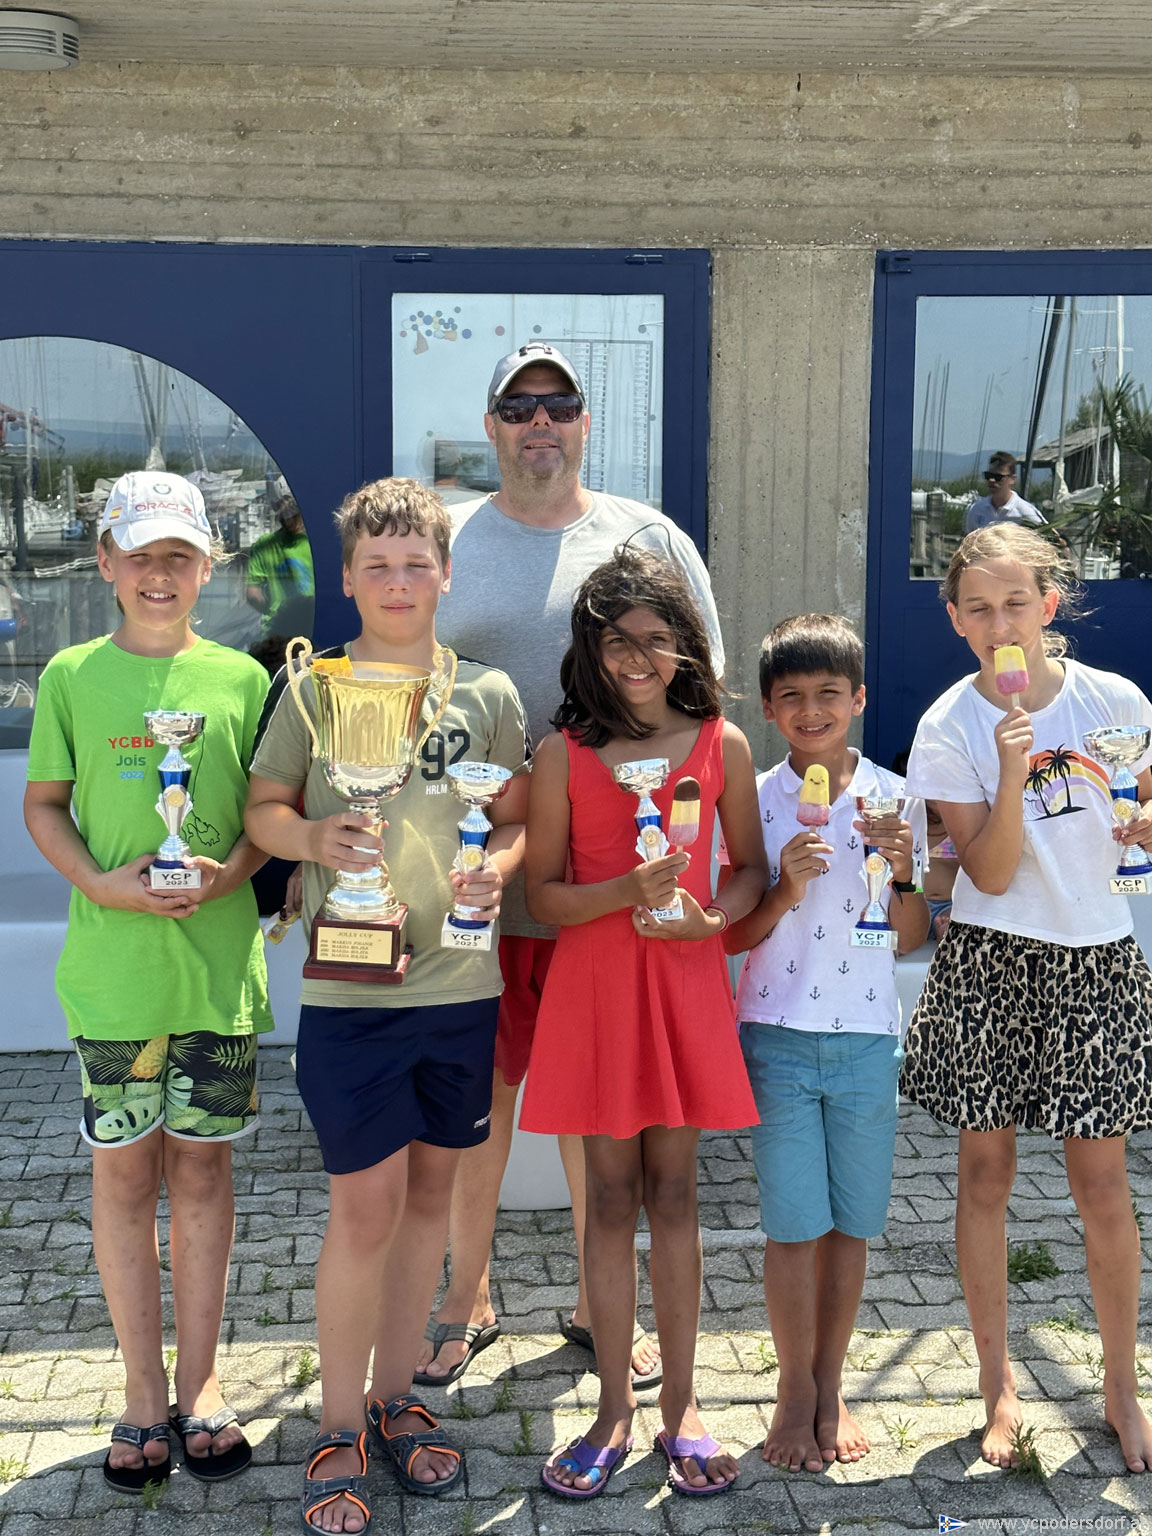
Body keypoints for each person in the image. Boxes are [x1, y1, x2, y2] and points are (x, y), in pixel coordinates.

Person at [418, 340, 724, 1391]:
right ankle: (465, 1295)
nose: (538, 421)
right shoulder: (449, 538)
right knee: (484, 1097)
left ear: (585, 421)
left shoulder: (648, 536)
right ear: (492, 425)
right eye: (518, 405)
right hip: (487, 876)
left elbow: (700, 694)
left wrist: (690, 863)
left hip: (613, 889)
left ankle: (604, 1308)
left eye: (558, 403)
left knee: (609, 1108)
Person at [245, 478, 530, 1533]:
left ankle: (396, 1396)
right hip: (351, 987)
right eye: (379, 566)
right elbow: (262, 809)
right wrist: (312, 838)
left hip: (459, 987)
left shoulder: (486, 693)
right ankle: (336, 1423)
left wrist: (499, 867)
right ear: (350, 577)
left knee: (428, 1201)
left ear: (447, 574)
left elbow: (518, 817)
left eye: (417, 564)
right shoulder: (311, 691)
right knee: (364, 1205)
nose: (399, 582)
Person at [22, 470, 272, 1493]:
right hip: (117, 980)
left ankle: (201, 1383)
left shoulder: (243, 681)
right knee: (125, 1178)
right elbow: (45, 804)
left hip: (213, 978)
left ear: (208, 567)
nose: (159, 573)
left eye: (179, 555)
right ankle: (138, 1389)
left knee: (204, 1174)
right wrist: (101, 885)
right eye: (141, 555)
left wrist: (233, 874)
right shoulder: (71, 676)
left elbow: (269, 817)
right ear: (105, 564)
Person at [901, 522, 1152, 1473]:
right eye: (980, 608)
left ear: (1049, 605)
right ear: (956, 620)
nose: (1000, 623)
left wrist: (1145, 819)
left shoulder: (1115, 700)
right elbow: (993, 872)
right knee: (984, 1177)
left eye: (1016, 603)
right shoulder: (949, 726)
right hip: (992, 960)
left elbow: (1146, 804)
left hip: (1096, 957)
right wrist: (1012, 769)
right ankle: (997, 1385)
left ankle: (1121, 1389)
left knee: (1102, 1186)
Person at [519, 547, 766, 1498]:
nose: (635, 658)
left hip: (683, 985)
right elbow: (543, 896)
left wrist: (713, 920)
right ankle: (613, 1407)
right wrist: (625, 890)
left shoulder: (721, 744)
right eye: (616, 641)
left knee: (676, 1194)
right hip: (596, 994)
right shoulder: (562, 755)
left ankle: (683, 1408)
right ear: (590, 649)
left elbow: (747, 869)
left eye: (655, 639)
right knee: (609, 1199)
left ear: (685, 646)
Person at [719, 615, 929, 1474]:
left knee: (851, 1224)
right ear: (769, 708)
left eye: (829, 695)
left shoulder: (895, 798)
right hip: (776, 1033)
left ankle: (833, 1383)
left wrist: (904, 870)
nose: (812, 711)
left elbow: (911, 935)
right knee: (793, 1226)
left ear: (860, 700)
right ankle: (792, 1390)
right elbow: (731, 935)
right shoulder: (752, 802)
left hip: (868, 1040)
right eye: (793, 697)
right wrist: (781, 888)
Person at [245, 476, 315, 637]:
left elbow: (253, 594)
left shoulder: (264, 545)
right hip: (313, 625)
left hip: (276, 630)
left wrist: (272, 611)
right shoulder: (318, 544)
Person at [964, 452, 1045, 534]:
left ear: (1012, 479)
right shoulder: (976, 510)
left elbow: (1045, 537)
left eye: (998, 477)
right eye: (988, 475)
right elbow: (969, 539)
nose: (991, 480)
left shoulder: (1026, 513)